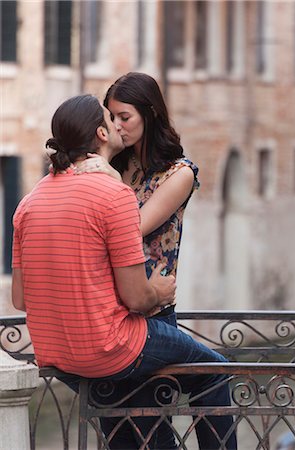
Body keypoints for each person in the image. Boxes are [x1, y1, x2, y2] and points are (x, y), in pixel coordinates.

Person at [12, 94, 237, 450]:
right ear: (101, 133)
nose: (118, 125)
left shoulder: (28, 202)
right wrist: (161, 293)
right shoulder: (112, 193)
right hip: (108, 348)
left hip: (57, 355)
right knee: (214, 373)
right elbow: (136, 297)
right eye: (110, 119)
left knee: (136, 422)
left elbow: (21, 298)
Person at [74, 72, 200, 326]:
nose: (117, 126)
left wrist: (111, 177)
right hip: (108, 307)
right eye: (112, 117)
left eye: (125, 117)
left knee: (217, 365)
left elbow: (133, 226)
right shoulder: (118, 164)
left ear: (150, 114)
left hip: (153, 310)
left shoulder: (179, 174)